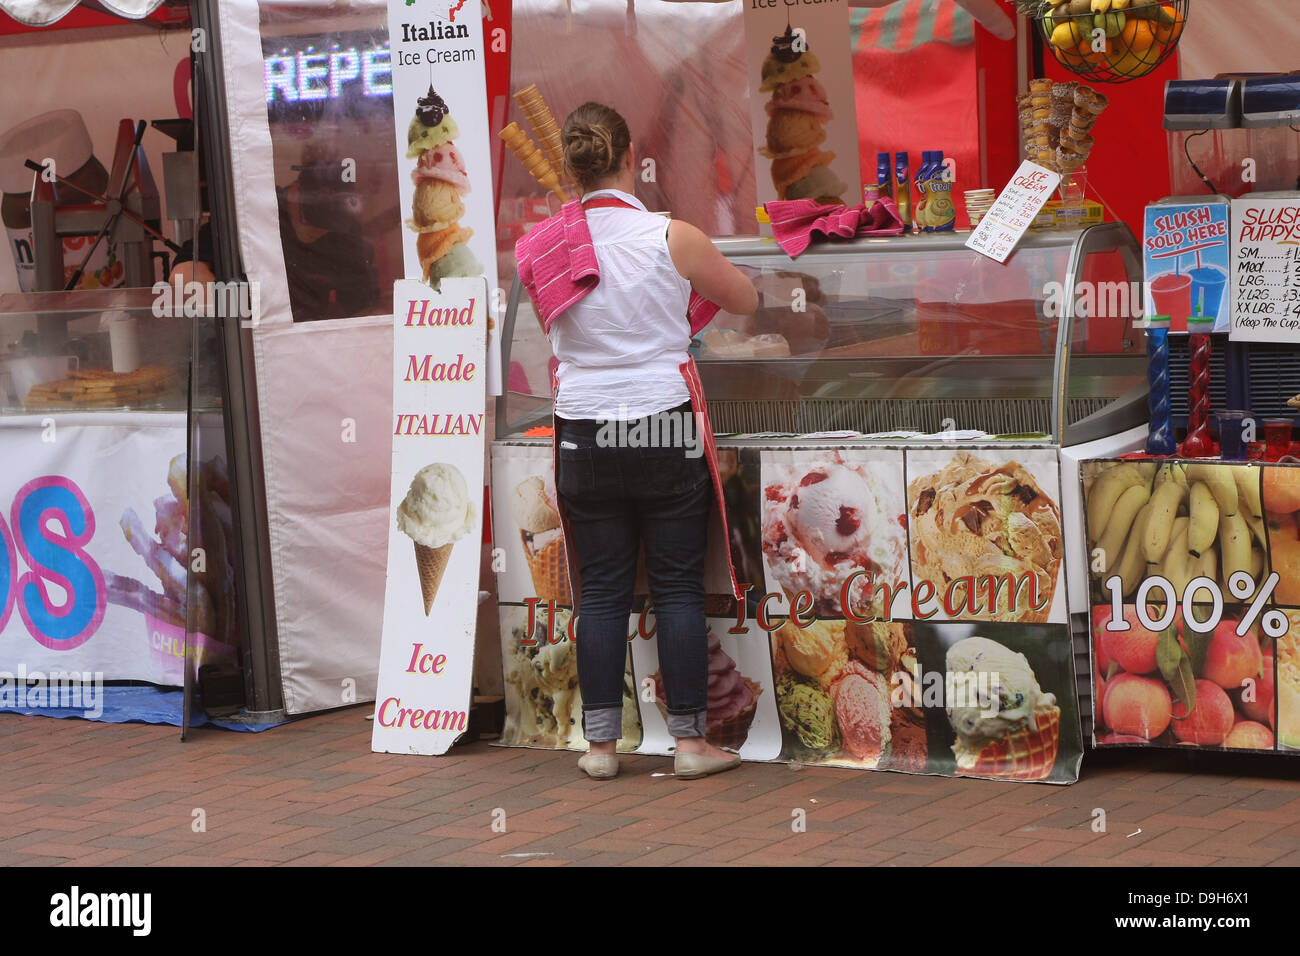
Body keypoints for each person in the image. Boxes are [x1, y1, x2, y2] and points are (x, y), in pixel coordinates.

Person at [541, 102, 758, 780]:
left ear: (573, 165)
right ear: (633, 154)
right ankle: (691, 744)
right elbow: (745, 298)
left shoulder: (545, 246)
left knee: (600, 590)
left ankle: (600, 747)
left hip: (582, 427)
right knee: (676, 588)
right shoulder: (674, 237)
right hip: (662, 424)